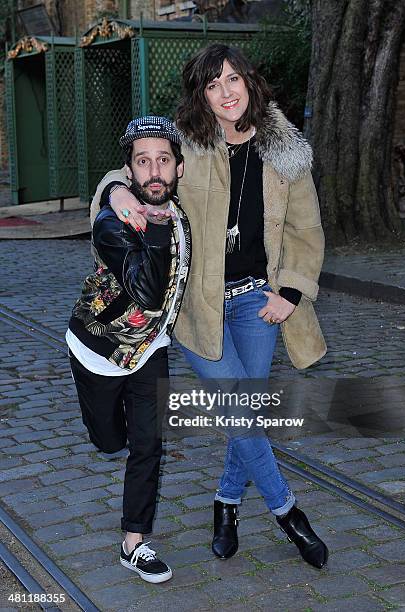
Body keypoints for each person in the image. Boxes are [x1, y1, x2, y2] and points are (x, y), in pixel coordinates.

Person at [90, 44, 329, 569]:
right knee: (243, 411)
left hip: (257, 305)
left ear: (249, 82)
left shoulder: (285, 150)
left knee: (244, 413)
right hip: (198, 310)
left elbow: (305, 230)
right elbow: (133, 169)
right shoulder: (187, 143)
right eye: (213, 84)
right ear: (202, 94)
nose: (225, 93)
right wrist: (115, 195)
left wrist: (290, 290)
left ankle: (226, 502)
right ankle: (289, 514)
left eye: (233, 80)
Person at [67, 116, 191, 583]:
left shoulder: (180, 209)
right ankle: (105, 433)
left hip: (150, 351)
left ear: (179, 168)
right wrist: (146, 222)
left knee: (148, 445)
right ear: (129, 171)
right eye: (143, 163)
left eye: (163, 161)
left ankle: (134, 542)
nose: (154, 171)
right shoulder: (112, 222)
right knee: (110, 442)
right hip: (98, 352)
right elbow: (146, 292)